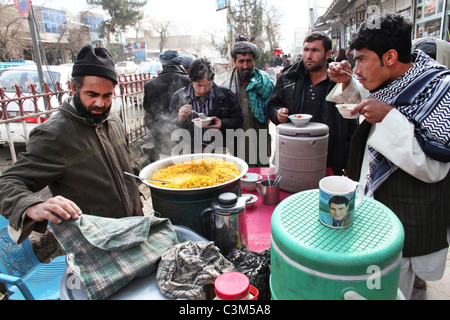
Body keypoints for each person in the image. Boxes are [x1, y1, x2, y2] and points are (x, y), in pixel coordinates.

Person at [328, 14, 450, 299]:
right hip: (377, 201)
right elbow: (375, 101)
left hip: (411, 213)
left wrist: (389, 118)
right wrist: (348, 84)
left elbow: (435, 167)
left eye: (361, 60)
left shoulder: (439, 89)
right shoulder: (395, 78)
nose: (356, 68)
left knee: (395, 288)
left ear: (391, 56)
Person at [0, 44, 143, 244]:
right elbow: (6, 183)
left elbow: (123, 171)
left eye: (107, 96)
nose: (100, 104)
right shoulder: (53, 134)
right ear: (74, 88)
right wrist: (34, 206)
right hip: (90, 243)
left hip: (133, 229)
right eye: (92, 95)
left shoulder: (113, 121)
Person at [267, 32, 358, 175]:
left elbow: (351, 121)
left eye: (315, 50)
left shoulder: (339, 80)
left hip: (330, 158)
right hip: (294, 153)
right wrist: (278, 113)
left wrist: (348, 160)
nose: (308, 56)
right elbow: (272, 106)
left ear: (328, 54)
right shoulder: (288, 77)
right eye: (306, 50)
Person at [170, 57, 243, 153]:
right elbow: (169, 128)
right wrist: (179, 119)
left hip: (219, 149)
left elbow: (238, 121)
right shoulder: (179, 97)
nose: (203, 90)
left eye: (207, 85)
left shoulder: (225, 95)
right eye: (198, 85)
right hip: (191, 150)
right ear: (190, 79)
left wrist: (222, 123)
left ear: (212, 80)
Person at [223, 41, 274, 167]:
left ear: (254, 60)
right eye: (241, 61)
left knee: (261, 178)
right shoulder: (226, 88)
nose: (245, 65)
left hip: (261, 142)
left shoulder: (266, 83)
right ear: (235, 62)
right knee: (241, 179)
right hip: (238, 145)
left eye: (248, 61)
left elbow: (274, 107)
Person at [143, 50, 190, 161]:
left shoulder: (149, 85)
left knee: (166, 169)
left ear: (163, 66)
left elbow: (148, 113)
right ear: (179, 64)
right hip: (184, 136)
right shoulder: (187, 81)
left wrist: (157, 132)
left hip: (161, 136)